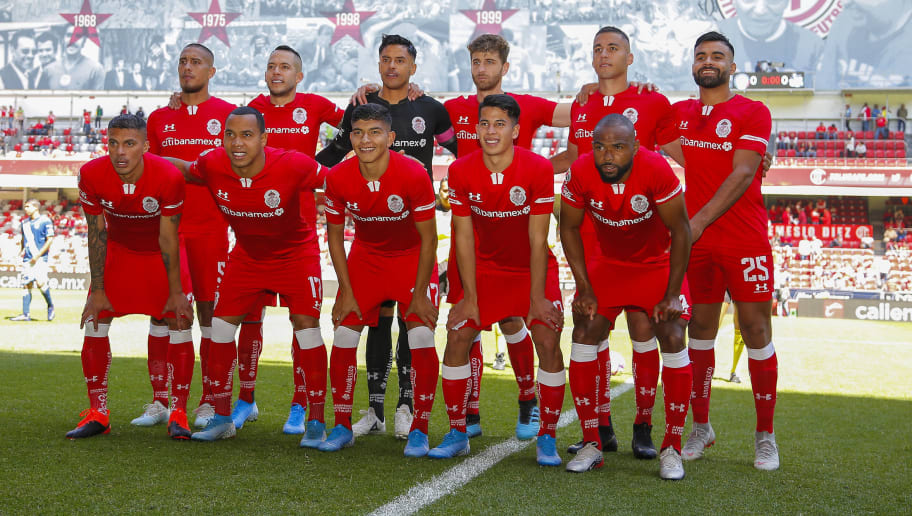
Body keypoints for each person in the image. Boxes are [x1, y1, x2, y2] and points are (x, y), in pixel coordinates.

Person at [554, 26, 685, 461]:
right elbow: (576, 160)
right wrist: (527, 165)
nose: (604, 55)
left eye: (613, 48)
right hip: (596, 233)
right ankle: (600, 427)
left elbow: (679, 152)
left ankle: (644, 425)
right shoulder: (584, 101)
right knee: (593, 330)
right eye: (597, 49)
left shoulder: (652, 99)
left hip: (643, 232)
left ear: (630, 57)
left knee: (644, 328)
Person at [317, 34, 457, 441]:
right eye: (385, 59)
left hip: (413, 234)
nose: (392, 66)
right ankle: (372, 409)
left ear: (413, 66)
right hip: (370, 246)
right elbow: (334, 152)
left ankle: (409, 410)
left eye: (400, 60)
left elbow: (462, 152)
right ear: (377, 64)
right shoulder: (359, 106)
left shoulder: (430, 108)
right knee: (372, 327)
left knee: (416, 328)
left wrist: (458, 193)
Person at [166, 106, 328, 442]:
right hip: (248, 257)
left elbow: (338, 179)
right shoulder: (212, 163)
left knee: (307, 330)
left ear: (264, 139)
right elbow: (183, 169)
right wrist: (141, 158)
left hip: (296, 255)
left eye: (247, 135)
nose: (237, 142)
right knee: (220, 329)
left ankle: (316, 420)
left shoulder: (292, 163)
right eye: (230, 134)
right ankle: (222, 417)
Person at [442, 33, 571, 440]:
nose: (482, 68)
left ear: (505, 67)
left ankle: (528, 399)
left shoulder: (528, 105)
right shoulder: (453, 109)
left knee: (517, 320)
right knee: (467, 324)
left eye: (489, 62)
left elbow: (581, 119)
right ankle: (469, 412)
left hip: (518, 231)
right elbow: (407, 122)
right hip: (473, 235)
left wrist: (537, 169)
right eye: (476, 61)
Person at [560, 114, 693, 479]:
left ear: (635, 146)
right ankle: (591, 442)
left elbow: (681, 231)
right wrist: (583, 286)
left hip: (655, 264)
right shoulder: (581, 172)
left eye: (618, 147)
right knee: (584, 332)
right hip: (609, 265)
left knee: (671, 334)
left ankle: (672, 447)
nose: (608, 156)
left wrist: (670, 295)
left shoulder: (656, 170)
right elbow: (568, 227)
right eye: (600, 146)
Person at [672, 31, 779, 471]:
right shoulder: (679, 114)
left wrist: (694, 222)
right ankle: (702, 427)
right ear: (694, 66)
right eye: (701, 56)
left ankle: (765, 436)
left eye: (717, 55)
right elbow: (654, 139)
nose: (708, 61)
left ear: (732, 67)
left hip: (744, 238)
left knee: (755, 331)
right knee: (700, 330)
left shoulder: (753, 111)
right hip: (700, 247)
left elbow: (741, 173)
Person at [234, 44, 345, 435]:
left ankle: (301, 405)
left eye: (285, 67)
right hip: (255, 233)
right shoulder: (252, 107)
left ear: (299, 76)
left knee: (304, 321)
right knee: (249, 316)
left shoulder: (315, 105)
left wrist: (323, 162)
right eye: (271, 66)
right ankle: (245, 399)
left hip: (297, 235)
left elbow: (356, 123)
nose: (276, 72)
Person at [321, 103, 440, 456]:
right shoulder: (338, 178)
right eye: (358, 132)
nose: (365, 139)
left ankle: (419, 427)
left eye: (374, 132)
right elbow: (334, 237)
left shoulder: (413, 174)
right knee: (343, 332)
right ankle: (342, 424)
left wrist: (419, 294)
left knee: (419, 335)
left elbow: (429, 239)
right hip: (367, 259)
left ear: (389, 137)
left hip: (411, 259)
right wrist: (344, 291)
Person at [68, 113, 193, 439]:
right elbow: (96, 234)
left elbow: (168, 238)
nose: (120, 151)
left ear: (145, 146)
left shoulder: (167, 175)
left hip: (160, 253)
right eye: (112, 143)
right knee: (96, 319)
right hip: (120, 253)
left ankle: (178, 413)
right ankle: (98, 412)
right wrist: (96, 289)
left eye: (129, 143)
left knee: (178, 321)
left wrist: (176, 291)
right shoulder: (91, 174)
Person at [145, 43, 236, 430]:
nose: (187, 67)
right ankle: (159, 401)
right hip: (168, 230)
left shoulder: (229, 115)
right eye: (182, 61)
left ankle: (210, 399)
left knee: (209, 314)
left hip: (211, 228)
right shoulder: (158, 118)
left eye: (196, 61)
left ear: (211, 72)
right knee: (162, 311)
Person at [10, 200, 56, 322]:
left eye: (28, 206)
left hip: (40, 258)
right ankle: (26, 314)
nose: (25, 209)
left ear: (36, 207)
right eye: (25, 206)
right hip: (28, 259)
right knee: (27, 284)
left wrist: (38, 255)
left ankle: (50, 306)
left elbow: (49, 240)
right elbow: (23, 239)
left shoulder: (45, 221)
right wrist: (21, 251)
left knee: (41, 283)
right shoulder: (24, 223)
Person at [719, 291, 745, 383]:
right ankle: (705, 367)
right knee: (713, 325)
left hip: (740, 281)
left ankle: (735, 371)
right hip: (722, 281)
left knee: (740, 326)